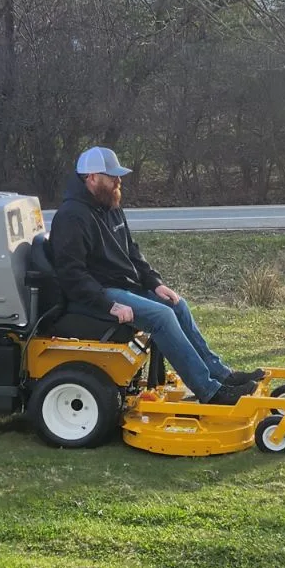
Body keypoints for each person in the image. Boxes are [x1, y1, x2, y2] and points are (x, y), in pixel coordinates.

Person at [48, 145, 263, 406]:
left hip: (123, 286)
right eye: (112, 176)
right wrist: (110, 305)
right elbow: (72, 276)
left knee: (176, 304)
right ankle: (210, 392)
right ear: (91, 178)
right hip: (96, 294)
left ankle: (221, 375)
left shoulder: (111, 205)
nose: (119, 181)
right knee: (161, 317)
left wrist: (155, 283)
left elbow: (132, 252)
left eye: (119, 176)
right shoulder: (71, 217)